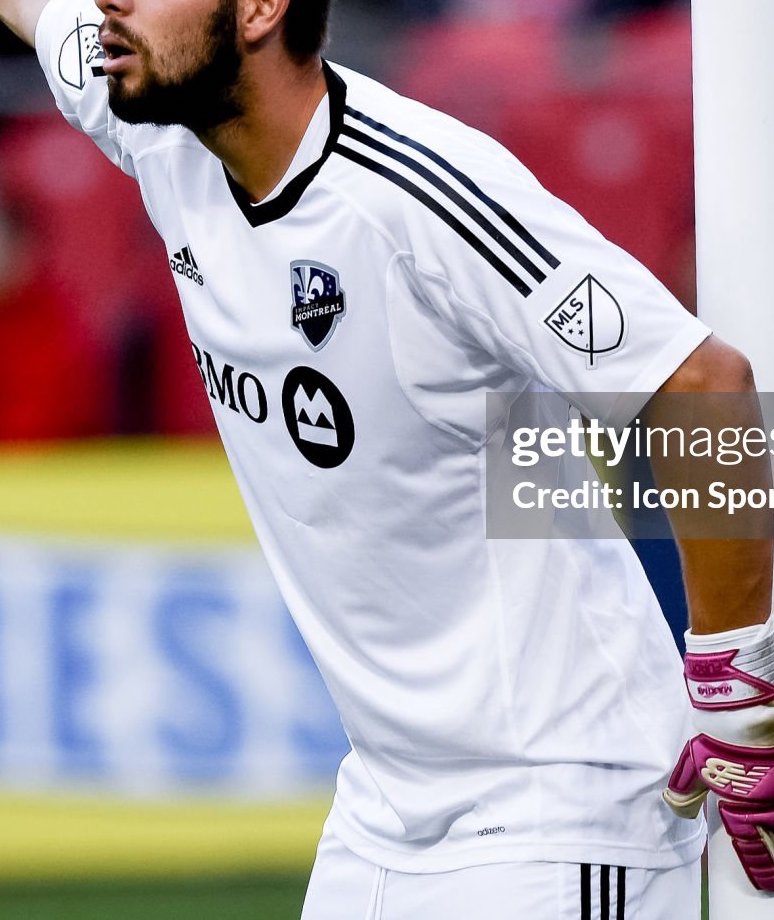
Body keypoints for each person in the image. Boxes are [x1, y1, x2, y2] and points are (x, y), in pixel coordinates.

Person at [1, 0, 773, 916]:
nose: (107, 6)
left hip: (561, 804)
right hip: (382, 805)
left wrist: (737, 693)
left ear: (257, 11)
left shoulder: (420, 195)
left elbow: (701, 383)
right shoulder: (163, 121)